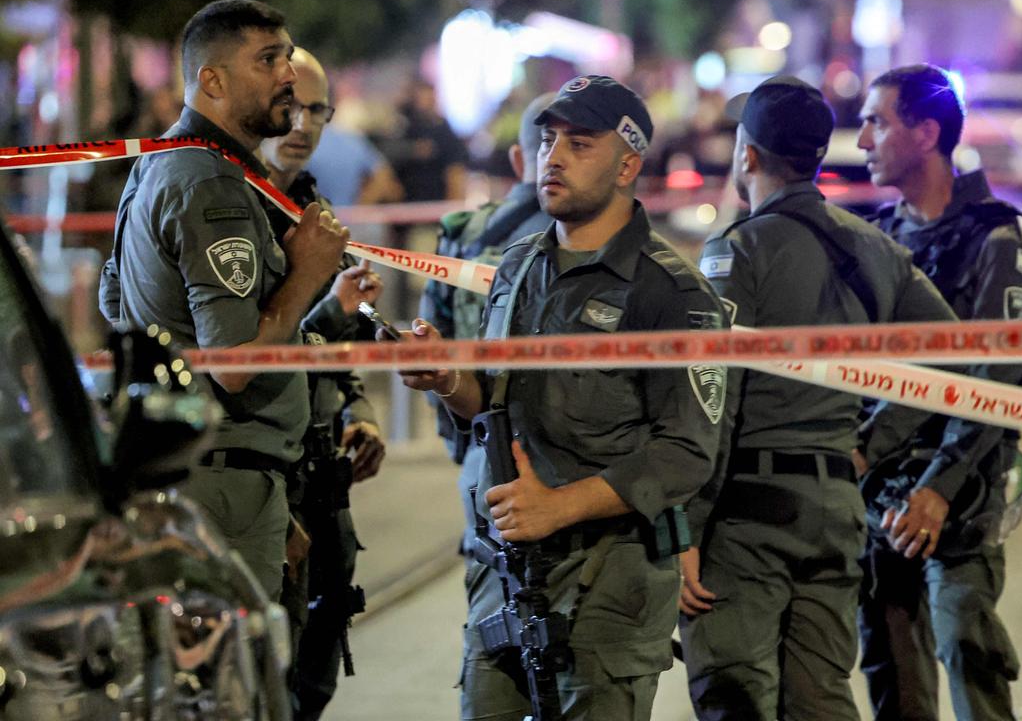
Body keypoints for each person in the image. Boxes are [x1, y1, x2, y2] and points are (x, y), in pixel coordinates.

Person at [399, 75, 726, 720]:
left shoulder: (671, 294)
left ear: (629, 163)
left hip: (610, 584)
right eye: (549, 139)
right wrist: (448, 380)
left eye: (580, 143)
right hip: (508, 575)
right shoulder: (517, 266)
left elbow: (687, 450)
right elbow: (491, 405)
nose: (554, 156)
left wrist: (557, 508)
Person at [677, 75, 958, 720]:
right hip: (835, 508)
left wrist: (684, 528)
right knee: (821, 703)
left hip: (747, 515)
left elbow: (713, 398)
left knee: (734, 694)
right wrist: (867, 447)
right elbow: (949, 351)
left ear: (747, 154)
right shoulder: (875, 249)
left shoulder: (738, 248)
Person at [97, 0, 349, 601]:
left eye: (286, 56)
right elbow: (233, 364)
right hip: (216, 483)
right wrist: (310, 272)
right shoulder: (210, 181)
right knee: (235, 692)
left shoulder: (165, 160)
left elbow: (117, 303)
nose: (288, 74)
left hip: (197, 473)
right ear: (211, 80)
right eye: (268, 60)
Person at [855, 63, 1022, 721]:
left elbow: (996, 377)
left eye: (877, 121)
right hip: (883, 503)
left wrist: (938, 488)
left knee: (967, 656)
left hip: (961, 497)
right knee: (895, 679)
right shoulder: (880, 240)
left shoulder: (995, 237)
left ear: (926, 132)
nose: (863, 139)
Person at [258, 46, 386, 720]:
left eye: (318, 110)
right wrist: (329, 312)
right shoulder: (236, 210)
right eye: (291, 106)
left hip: (321, 473)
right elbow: (245, 356)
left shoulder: (314, 206)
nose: (303, 124)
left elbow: (335, 357)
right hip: (265, 484)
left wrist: (355, 415)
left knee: (315, 679)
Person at [419, 90, 555, 551]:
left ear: (518, 158)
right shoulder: (580, 234)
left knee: (492, 604)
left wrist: (465, 451)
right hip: (574, 472)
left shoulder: (464, 236)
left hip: (482, 455)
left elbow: (429, 348)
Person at [306, 123, 404, 207]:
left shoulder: (301, 143)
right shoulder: (352, 140)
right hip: (348, 220)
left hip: (317, 219)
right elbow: (384, 178)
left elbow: (385, 181)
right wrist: (362, 206)